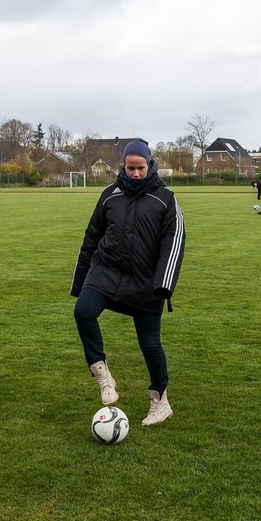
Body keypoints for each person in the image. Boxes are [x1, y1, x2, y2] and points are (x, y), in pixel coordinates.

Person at [71, 140, 184, 426]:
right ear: (123, 166)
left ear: (150, 165)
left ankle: (160, 401)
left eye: (140, 168)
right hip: (106, 271)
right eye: (130, 168)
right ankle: (102, 374)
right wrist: (81, 280)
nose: (135, 173)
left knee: (149, 344)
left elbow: (175, 240)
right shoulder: (110, 195)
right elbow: (91, 236)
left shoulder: (165, 198)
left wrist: (164, 285)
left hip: (146, 281)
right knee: (83, 311)